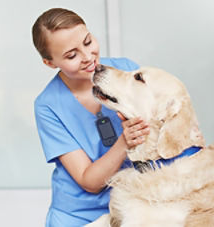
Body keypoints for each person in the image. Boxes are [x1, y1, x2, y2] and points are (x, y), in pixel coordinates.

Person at [32, 8, 150, 227]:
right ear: (50, 62)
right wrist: (125, 141)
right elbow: (89, 181)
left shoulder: (126, 70)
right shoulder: (48, 106)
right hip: (78, 217)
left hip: (133, 207)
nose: (88, 57)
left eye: (88, 42)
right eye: (71, 55)